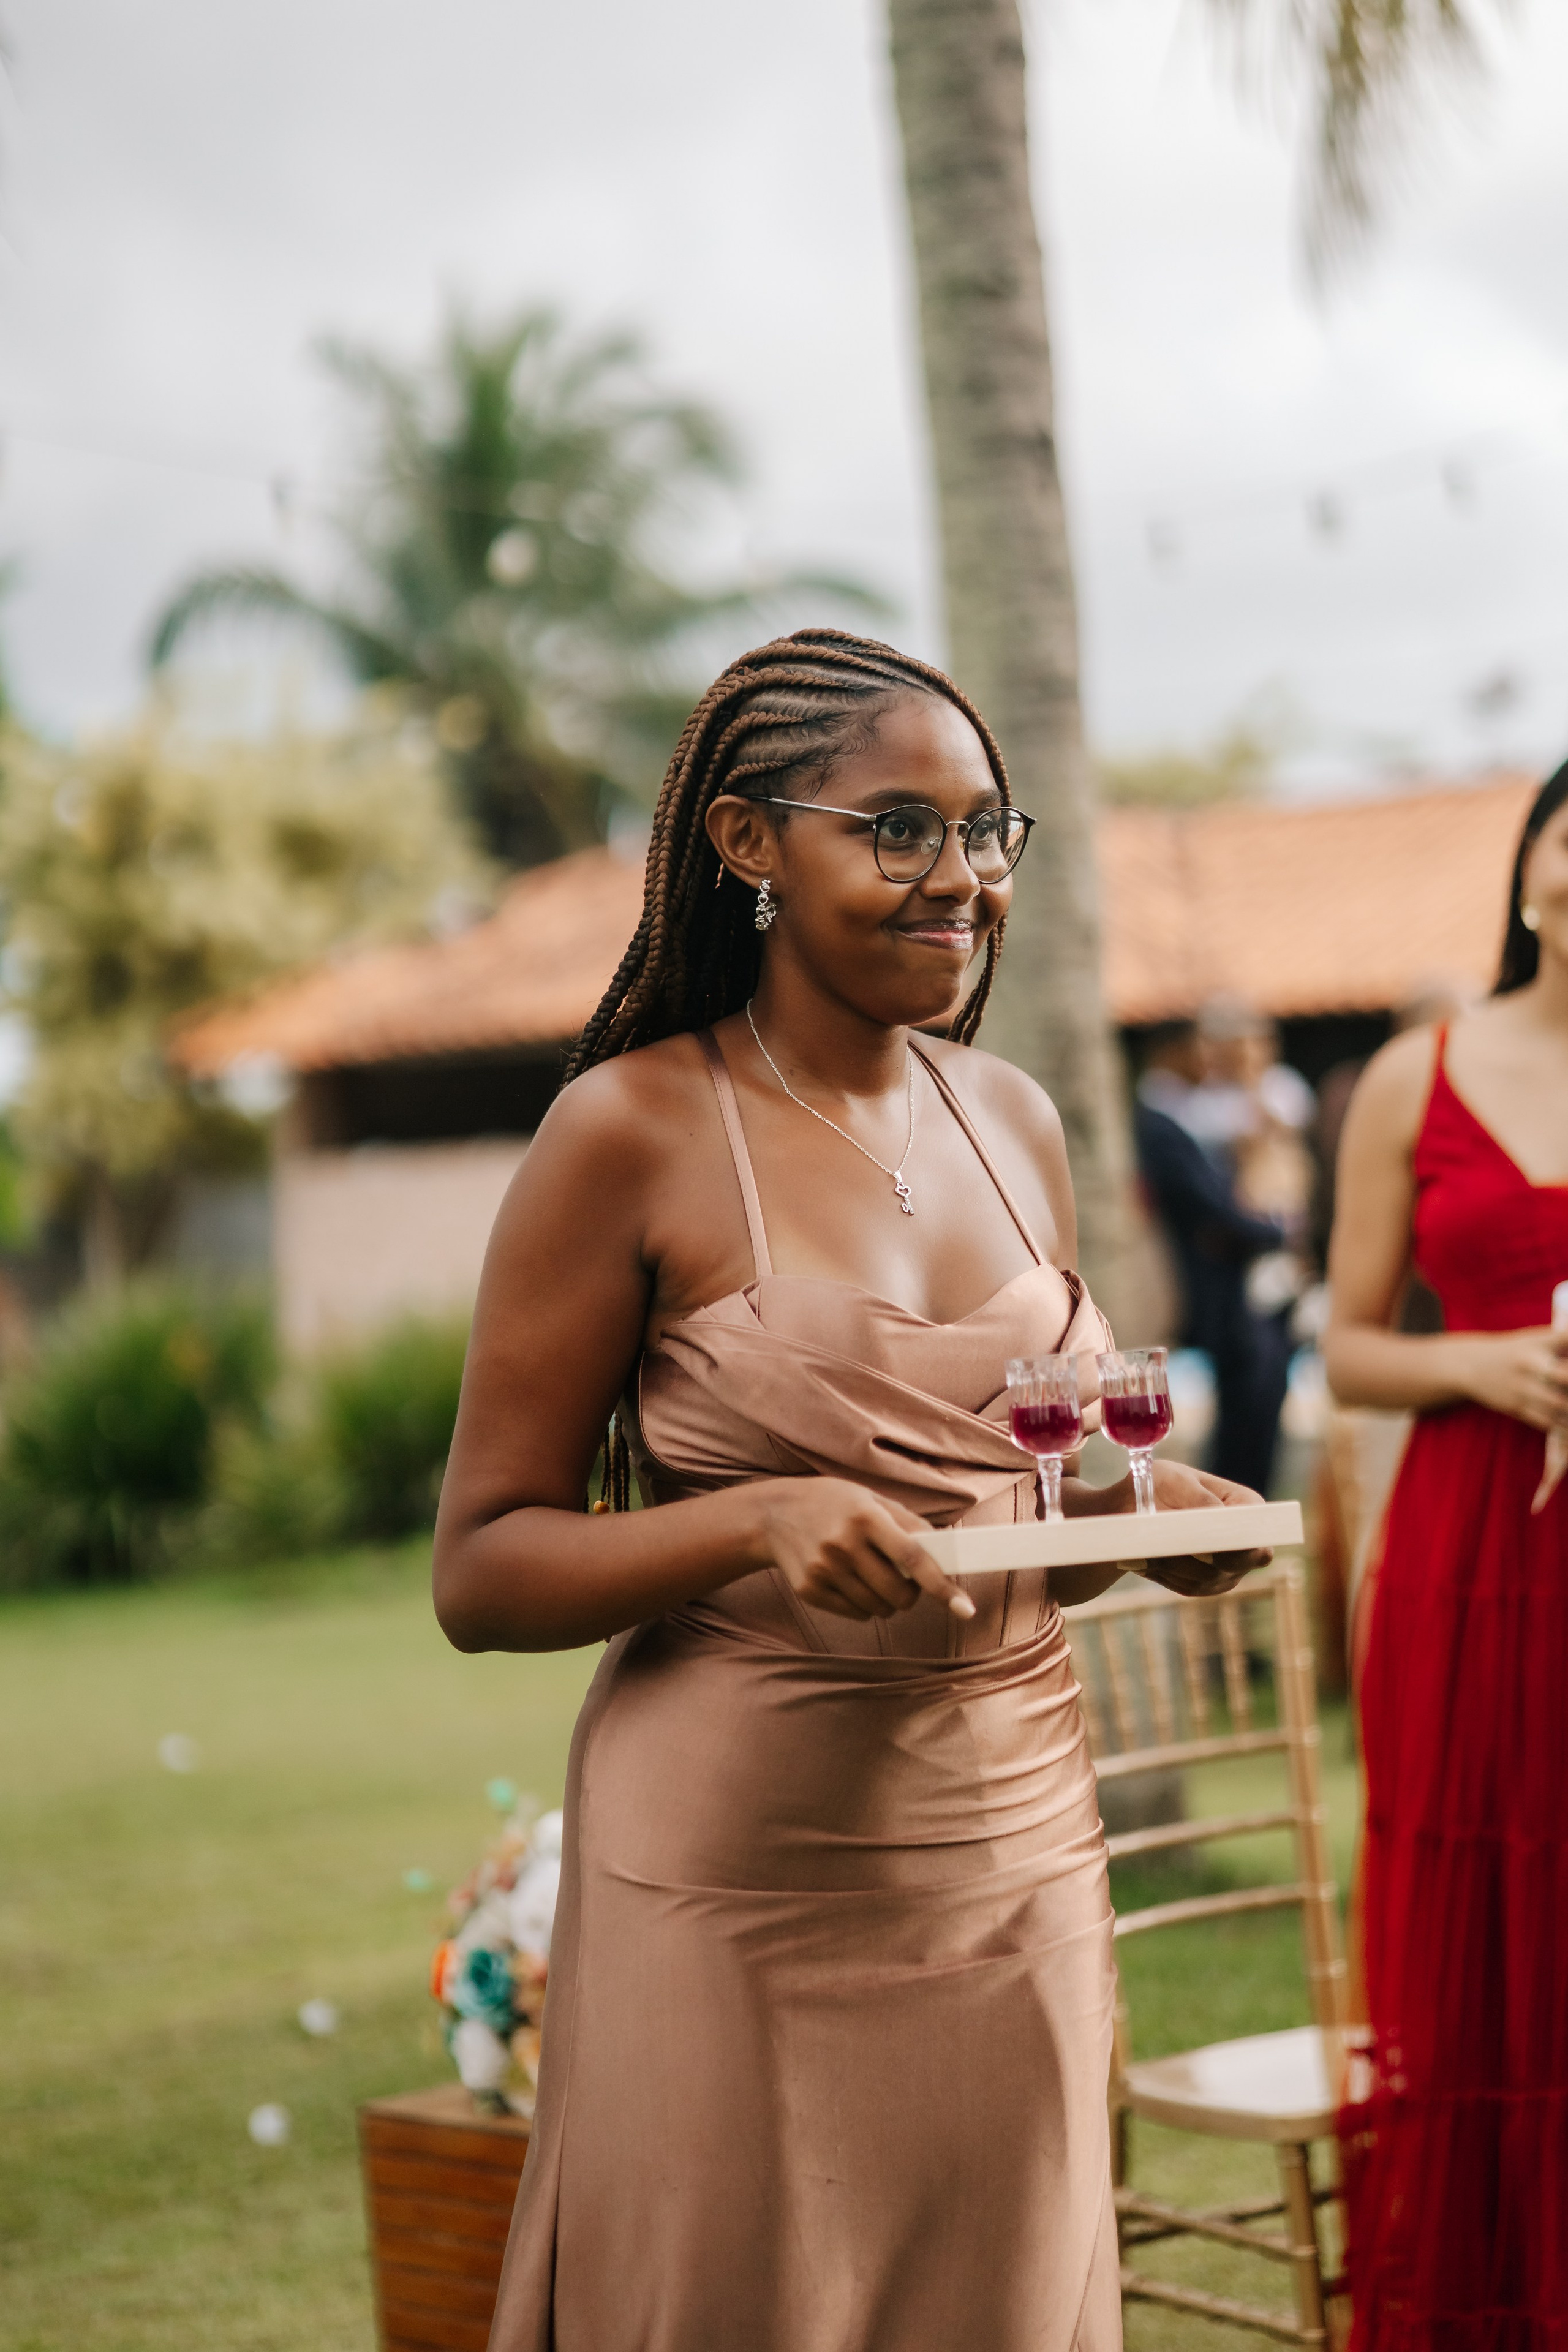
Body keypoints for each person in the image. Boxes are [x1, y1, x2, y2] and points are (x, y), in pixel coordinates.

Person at [432, 629, 1265, 2352]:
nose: (957, 879)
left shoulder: (1016, 1119)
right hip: (744, 1880)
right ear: (748, 842)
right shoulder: (629, 1131)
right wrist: (752, 1521)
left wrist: (1145, 1519)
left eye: (984, 832)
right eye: (896, 829)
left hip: (1017, 1851)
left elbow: (1027, 1506)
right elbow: (483, 1568)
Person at [1325, 761, 1568, 2345]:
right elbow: (1346, 1349)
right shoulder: (1419, 1074)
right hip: (1481, 1551)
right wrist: (1475, 1364)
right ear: (1533, 862)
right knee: (1495, 1909)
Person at [1133, 1020, 1293, 1496]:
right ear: (1171, 1051)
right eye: (1199, 1049)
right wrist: (1276, 1232)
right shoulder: (1157, 1124)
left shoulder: (1177, 1117)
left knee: (1259, 1396)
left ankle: (1247, 1500)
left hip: (1234, 1281)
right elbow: (1208, 1208)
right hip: (1214, 1291)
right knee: (1247, 1402)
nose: (1208, 1061)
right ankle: (1236, 1499)